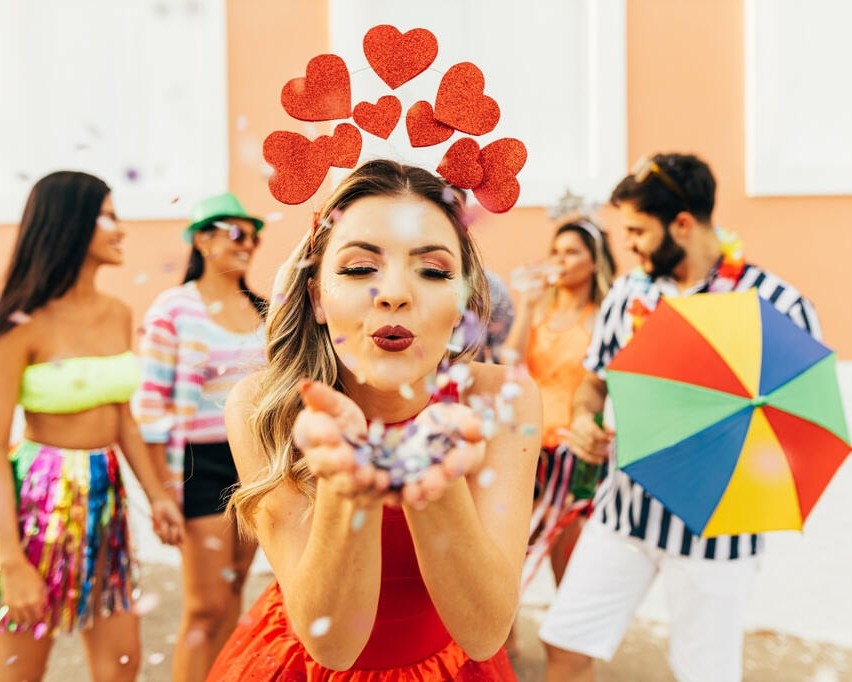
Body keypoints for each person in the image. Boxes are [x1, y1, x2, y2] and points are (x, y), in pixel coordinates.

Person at [206, 159, 541, 680]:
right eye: (360, 269)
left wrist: (434, 476)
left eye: (432, 271)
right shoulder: (262, 408)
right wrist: (346, 486)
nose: (395, 293)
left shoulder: (504, 400)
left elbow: (484, 632)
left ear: (462, 305)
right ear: (317, 296)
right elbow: (333, 646)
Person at [538, 153, 821, 682]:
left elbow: (796, 426)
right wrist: (585, 420)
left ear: (683, 224)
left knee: (704, 675)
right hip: (624, 513)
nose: (631, 246)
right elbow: (594, 382)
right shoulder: (630, 292)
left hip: (718, 535)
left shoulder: (778, 305)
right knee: (566, 645)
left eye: (638, 231)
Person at [0, 170, 183, 682]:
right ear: (71, 224)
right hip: (38, 502)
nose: (120, 228)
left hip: (107, 499)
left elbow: (122, 414)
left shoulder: (117, 313)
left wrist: (158, 496)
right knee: (20, 673)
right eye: (108, 215)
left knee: (122, 665)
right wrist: (10, 563)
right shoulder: (20, 322)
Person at [134, 192, 266, 682]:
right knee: (205, 606)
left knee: (234, 591)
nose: (248, 244)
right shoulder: (174, 308)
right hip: (197, 463)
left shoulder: (263, 310)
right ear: (203, 240)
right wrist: (159, 491)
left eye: (253, 236)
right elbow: (149, 406)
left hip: (254, 460)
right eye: (236, 233)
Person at [504, 217, 615, 585]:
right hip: (530, 442)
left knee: (565, 554)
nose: (561, 260)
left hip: (573, 449)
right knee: (514, 546)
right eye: (556, 252)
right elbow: (511, 363)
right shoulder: (537, 311)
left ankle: (568, 633)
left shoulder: (600, 319)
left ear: (594, 261)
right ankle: (509, 640)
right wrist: (526, 303)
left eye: (571, 252)